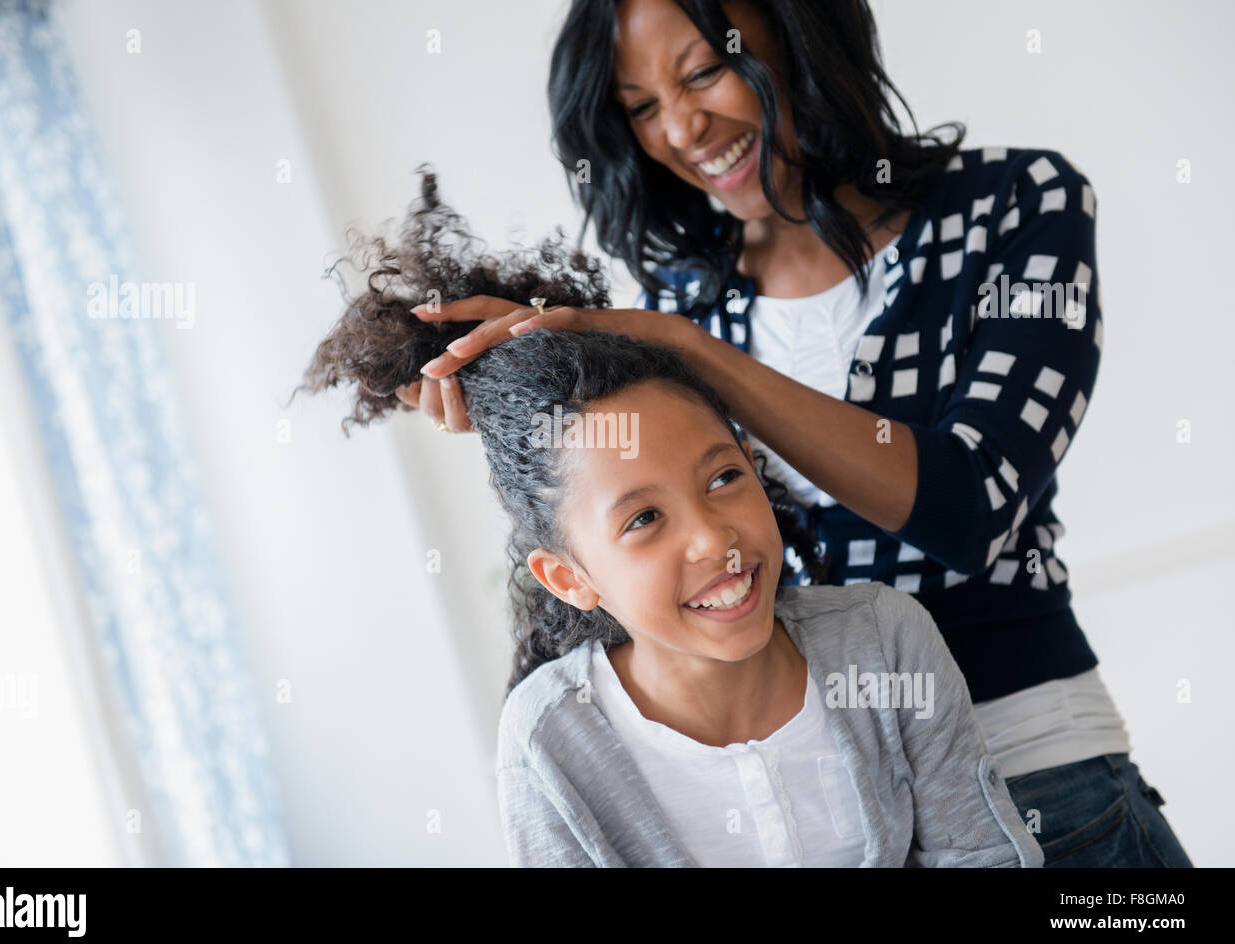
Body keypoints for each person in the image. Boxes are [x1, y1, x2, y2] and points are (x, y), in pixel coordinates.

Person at [400, 0, 1192, 866]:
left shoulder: (1017, 205)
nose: (682, 126)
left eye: (705, 70)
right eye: (641, 106)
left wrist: (691, 351)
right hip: (846, 812)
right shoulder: (683, 303)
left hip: (1043, 779)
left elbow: (971, 503)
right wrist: (513, 395)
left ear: (801, 34)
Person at [295, 168, 1042, 866]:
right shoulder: (553, 741)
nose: (714, 538)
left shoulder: (882, 642)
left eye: (723, 476)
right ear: (569, 576)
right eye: (644, 518)